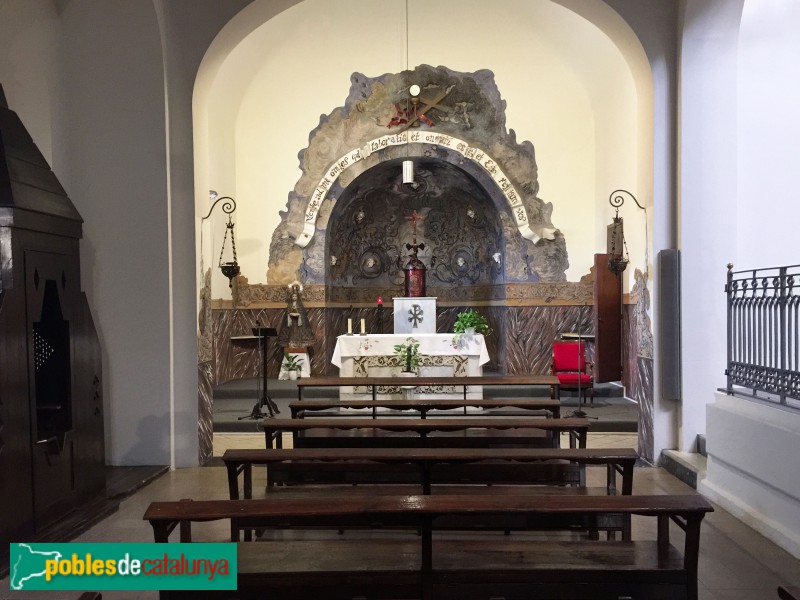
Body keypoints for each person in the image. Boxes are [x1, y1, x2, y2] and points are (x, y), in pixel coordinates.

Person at [278, 282, 315, 348]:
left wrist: (298, 315)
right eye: (293, 296)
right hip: (291, 322)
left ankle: (298, 343)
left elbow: (302, 313)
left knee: (298, 332)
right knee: (291, 333)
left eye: (295, 296)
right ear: (291, 297)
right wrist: (290, 314)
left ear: (297, 297)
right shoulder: (290, 304)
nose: (294, 297)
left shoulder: (299, 304)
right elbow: (288, 312)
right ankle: (291, 343)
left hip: (298, 322)